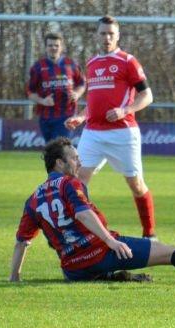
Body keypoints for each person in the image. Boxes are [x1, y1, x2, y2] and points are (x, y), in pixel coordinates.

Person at [9, 137, 175, 286]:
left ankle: (114, 275)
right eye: (74, 158)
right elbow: (83, 214)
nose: (80, 161)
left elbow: (22, 242)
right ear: (59, 164)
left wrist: (14, 278)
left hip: (73, 270)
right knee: (171, 253)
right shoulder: (70, 183)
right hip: (100, 252)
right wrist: (110, 241)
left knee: (96, 266)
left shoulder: (32, 199)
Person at [64, 15, 157, 239]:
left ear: (118, 36)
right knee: (78, 179)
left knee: (135, 184)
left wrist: (125, 110)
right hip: (93, 133)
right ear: (96, 35)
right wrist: (82, 117)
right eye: (103, 33)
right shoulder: (92, 63)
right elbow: (95, 100)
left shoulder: (128, 61)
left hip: (122, 133)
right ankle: (82, 230)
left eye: (111, 34)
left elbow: (147, 95)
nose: (107, 37)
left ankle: (150, 233)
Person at [26, 32, 86, 143]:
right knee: (51, 150)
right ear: (45, 47)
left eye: (56, 45)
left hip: (67, 114)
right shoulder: (38, 67)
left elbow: (82, 84)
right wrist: (43, 101)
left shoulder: (71, 64)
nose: (53, 48)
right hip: (45, 115)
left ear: (61, 47)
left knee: (60, 147)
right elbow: (30, 92)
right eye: (50, 45)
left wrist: (77, 93)